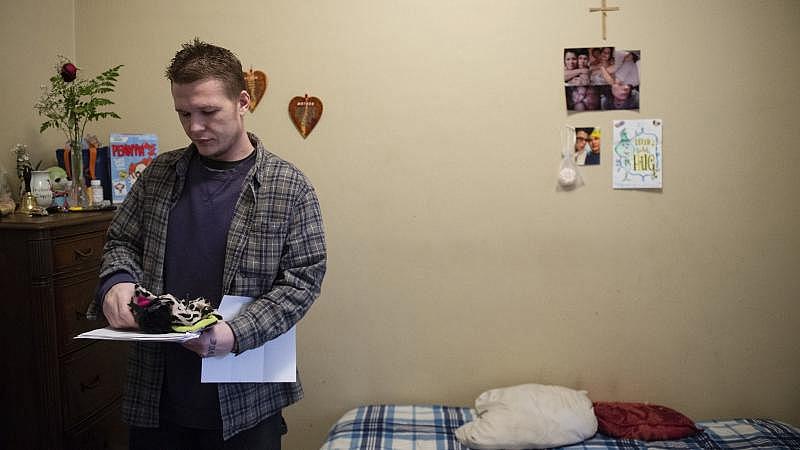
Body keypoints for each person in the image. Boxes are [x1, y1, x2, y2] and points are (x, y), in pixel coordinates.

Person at [92, 38, 327, 449]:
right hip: (158, 393)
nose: (194, 126)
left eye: (208, 112)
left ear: (242, 101)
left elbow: (302, 283)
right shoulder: (158, 174)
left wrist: (232, 334)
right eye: (183, 113)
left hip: (247, 399)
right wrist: (117, 281)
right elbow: (122, 240)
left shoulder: (289, 186)